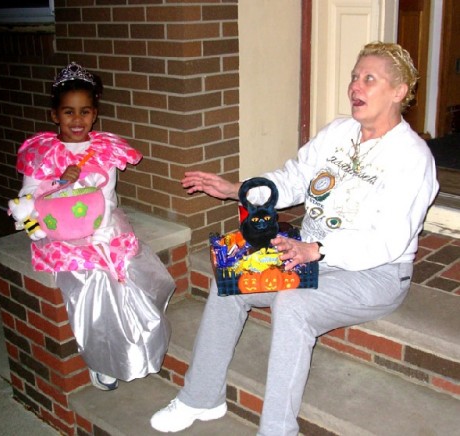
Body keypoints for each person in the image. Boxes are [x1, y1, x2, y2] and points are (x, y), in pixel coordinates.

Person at [150, 42, 439, 434]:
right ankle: (201, 397)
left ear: (399, 91)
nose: (355, 86)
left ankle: (278, 430)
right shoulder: (340, 132)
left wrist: (316, 249)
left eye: (369, 79)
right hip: (310, 255)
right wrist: (239, 190)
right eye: (354, 77)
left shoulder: (412, 157)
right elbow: (295, 178)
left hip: (376, 273)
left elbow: (388, 239)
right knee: (231, 278)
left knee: (293, 304)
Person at [12, 62, 175, 391]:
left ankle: (140, 343)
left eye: (84, 112)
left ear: (94, 114)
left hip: (101, 224)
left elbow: (107, 197)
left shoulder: (104, 150)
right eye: (68, 112)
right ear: (55, 115)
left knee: (127, 271)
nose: (77, 120)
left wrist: (99, 234)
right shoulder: (42, 152)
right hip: (57, 230)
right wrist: (60, 181)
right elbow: (27, 198)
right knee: (94, 280)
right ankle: (103, 360)